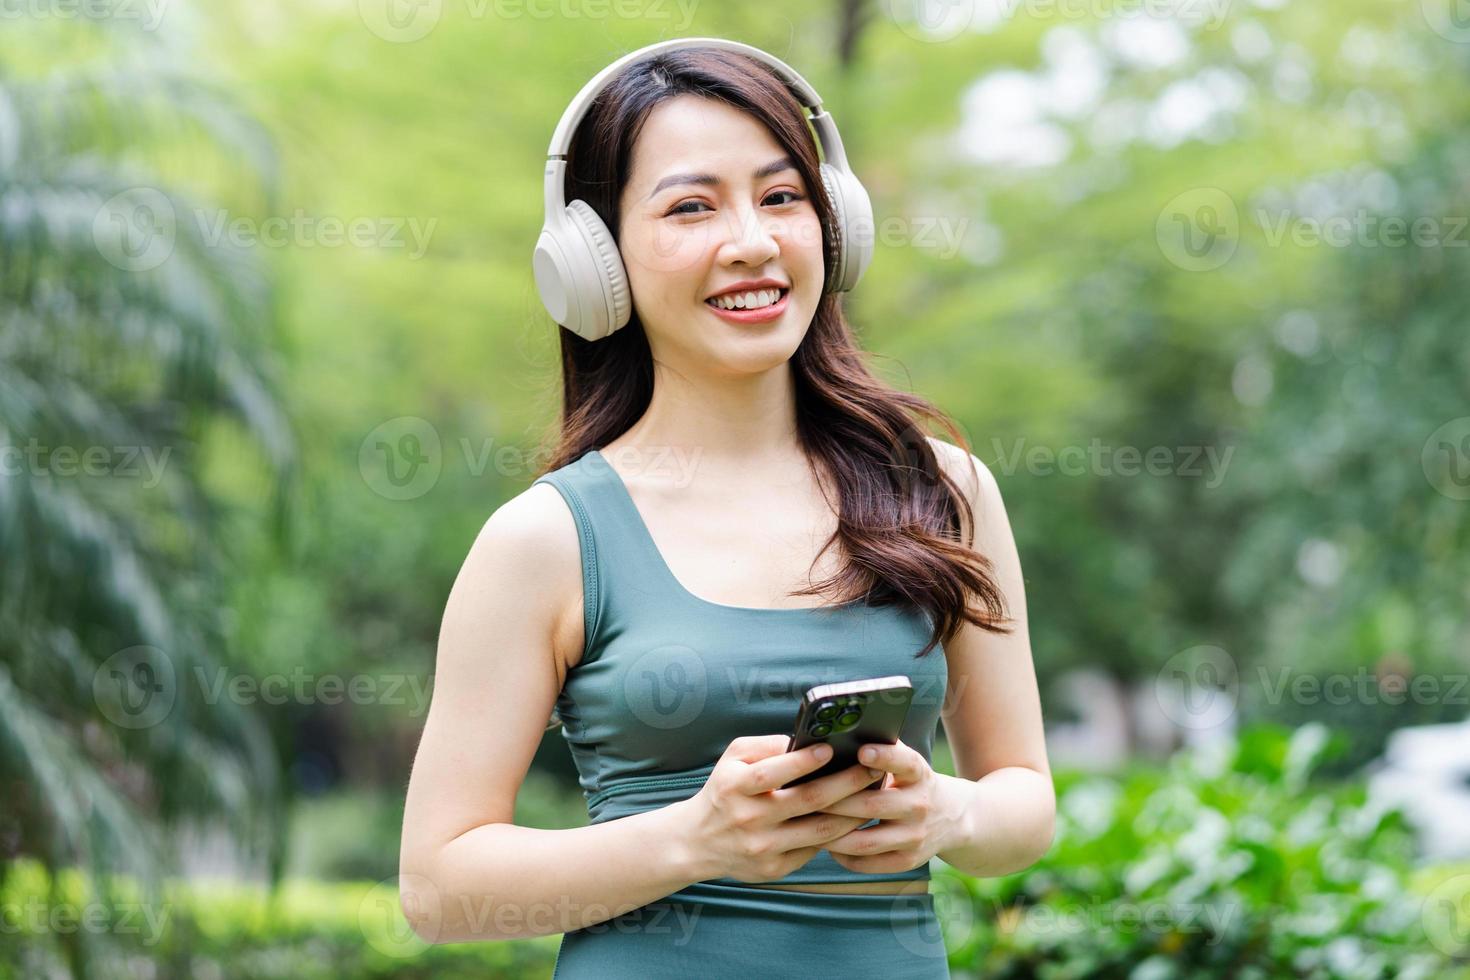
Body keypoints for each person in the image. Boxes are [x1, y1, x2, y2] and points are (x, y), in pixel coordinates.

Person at [399, 38, 1054, 979]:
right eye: (691, 207)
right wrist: (696, 841)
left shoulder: (941, 491)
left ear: (835, 225)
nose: (751, 239)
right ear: (598, 259)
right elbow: (437, 886)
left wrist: (951, 813)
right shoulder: (546, 539)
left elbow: (1023, 802)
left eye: (782, 196)